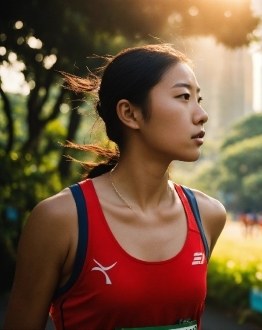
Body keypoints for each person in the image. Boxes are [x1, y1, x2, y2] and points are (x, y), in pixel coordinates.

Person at [3, 44, 226, 329]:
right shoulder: (60, 220)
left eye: (199, 98)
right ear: (130, 113)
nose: (201, 114)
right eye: (183, 97)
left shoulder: (208, 215)